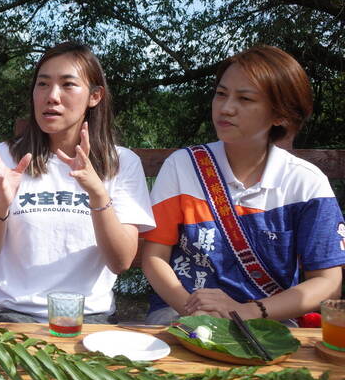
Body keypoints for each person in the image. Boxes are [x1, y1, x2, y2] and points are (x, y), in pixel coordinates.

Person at [142, 45, 344, 324]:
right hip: (181, 311)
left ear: (280, 115)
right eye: (221, 94)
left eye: (245, 99)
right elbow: (154, 257)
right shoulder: (183, 166)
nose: (226, 108)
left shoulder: (306, 183)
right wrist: (194, 311)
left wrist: (249, 311)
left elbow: (328, 282)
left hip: (268, 319)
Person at [0, 41, 155, 323]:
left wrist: (97, 194)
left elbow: (121, 262)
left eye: (68, 85)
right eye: (42, 84)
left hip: (87, 317)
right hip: (8, 314)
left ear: (94, 96)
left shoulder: (121, 163)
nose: (52, 96)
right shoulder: (6, 158)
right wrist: (2, 203)